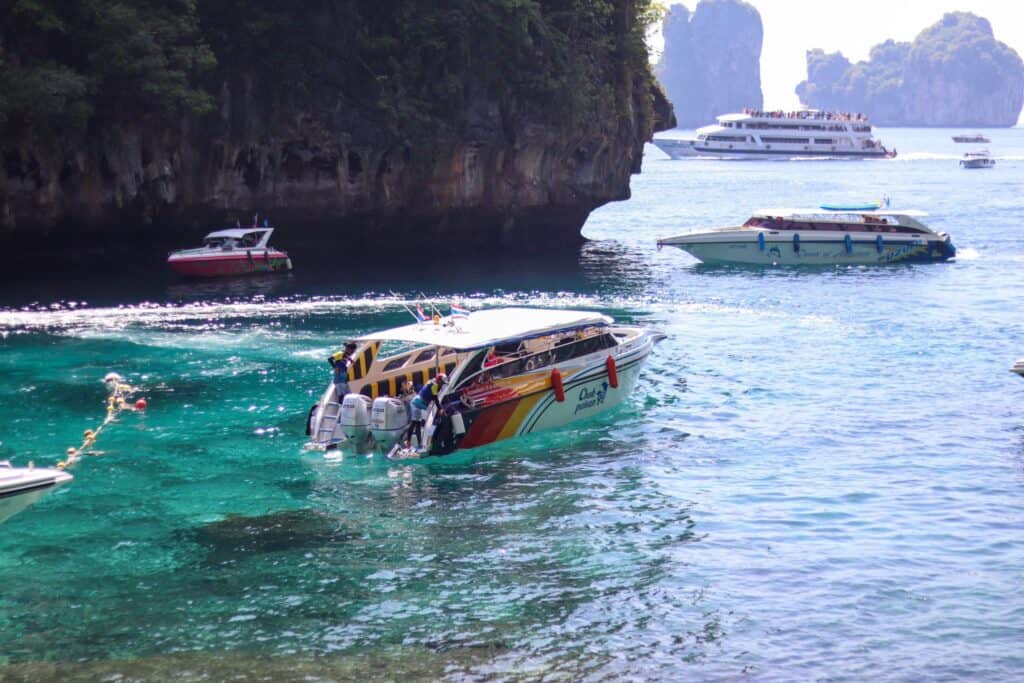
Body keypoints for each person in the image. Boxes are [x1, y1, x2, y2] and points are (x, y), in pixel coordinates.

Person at [409, 373, 447, 450]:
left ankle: (418, 443)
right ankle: (409, 441)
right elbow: (435, 399)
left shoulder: (431, 381)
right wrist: (440, 409)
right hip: (417, 404)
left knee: (417, 424)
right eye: (442, 383)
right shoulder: (434, 385)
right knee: (415, 424)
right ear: (438, 380)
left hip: (418, 402)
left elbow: (432, 396)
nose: (442, 385)